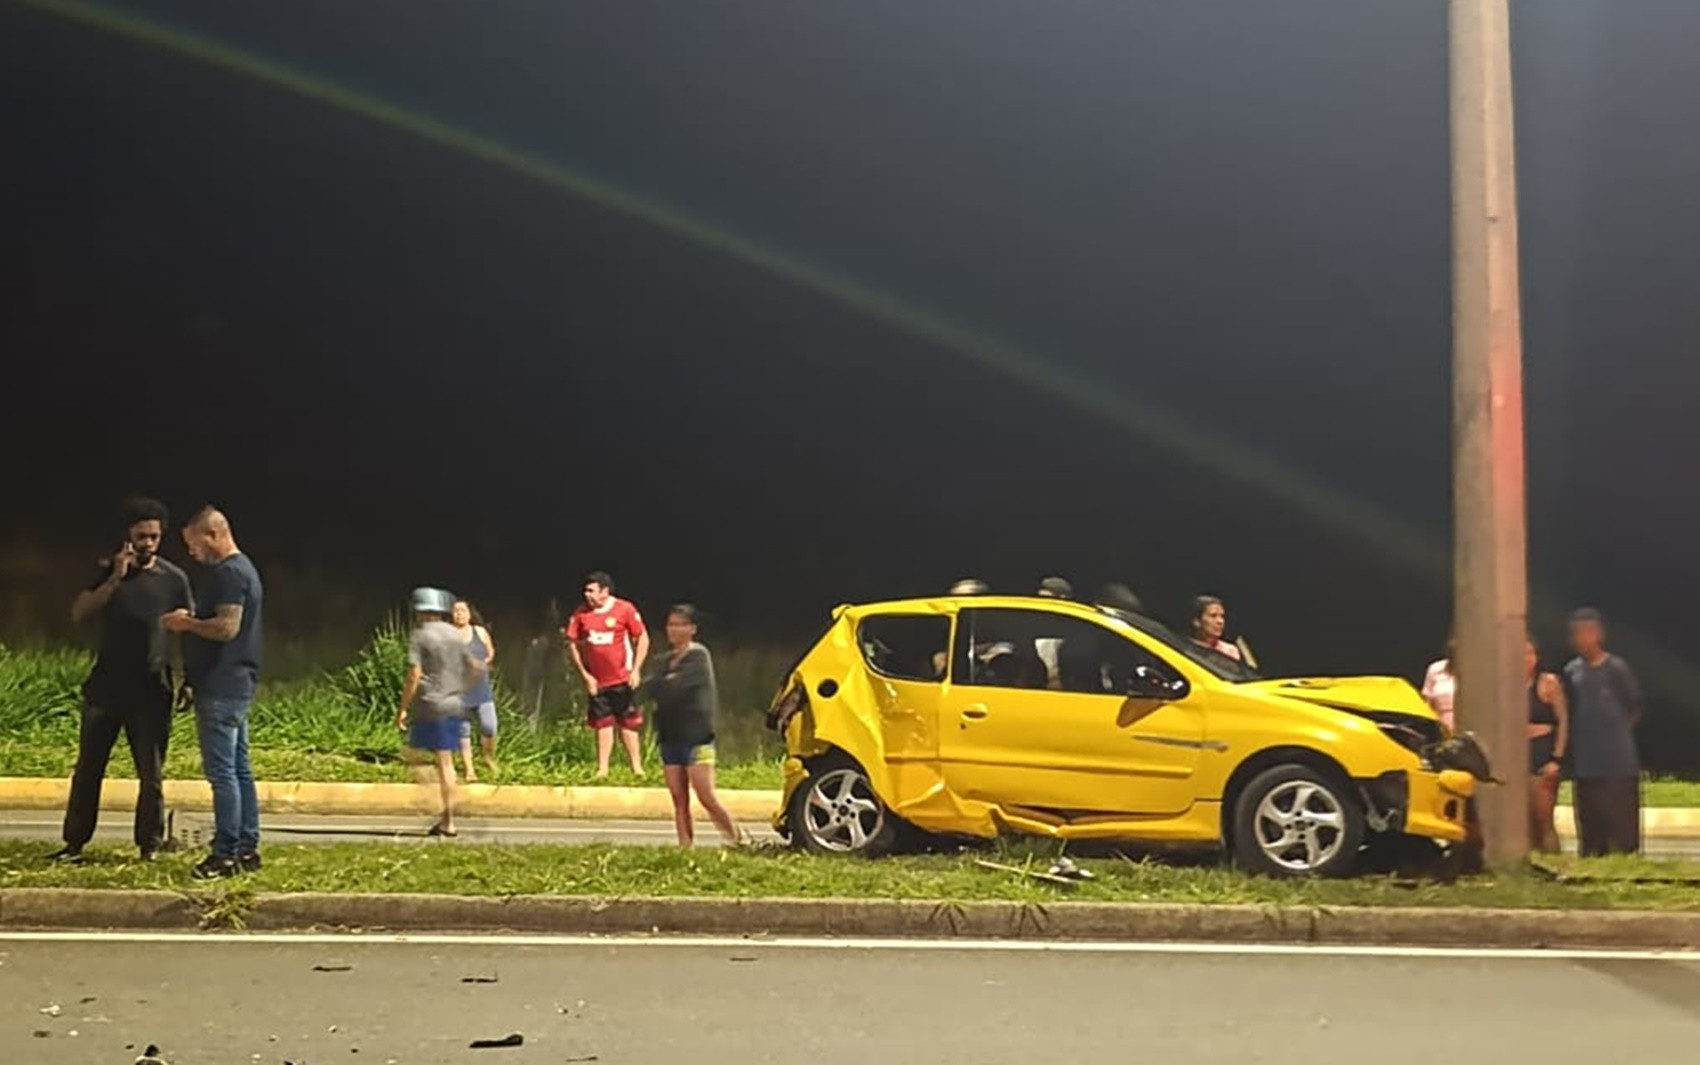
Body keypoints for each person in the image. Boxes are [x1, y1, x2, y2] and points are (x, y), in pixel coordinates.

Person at [50, 498, 195, 864]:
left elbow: (187, 631)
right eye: (141, 536)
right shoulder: (107, 571)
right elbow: (80, 612)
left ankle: (149, 844)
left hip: (151, 689)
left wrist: (189, 679)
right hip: (107, 687)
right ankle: (75, 842)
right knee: (88, 769)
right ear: (128, 537)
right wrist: (115, 577)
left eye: (154, 536)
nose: (148, 543)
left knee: (151, 772)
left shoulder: (173, 579)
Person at [163, 507, 264, 879]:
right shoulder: (244, 569)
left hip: (223, 685)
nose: (191, 552)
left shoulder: (229, 574)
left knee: (222, 774)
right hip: (236, 683)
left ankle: (225, 855)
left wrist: (185, 623)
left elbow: (226, 628)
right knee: (239, 769)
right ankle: (247, 848)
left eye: (193, 543)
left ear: (212, 535)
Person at [638, 604, 742, 847]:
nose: (674, 630)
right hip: (670, 735)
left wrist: (661, 683)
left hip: (697, 736)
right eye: (671, 624)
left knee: (706, 795)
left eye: (680, 624)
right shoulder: (663, 660)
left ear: (692, 629)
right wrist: (660, 683)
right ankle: (685, 846)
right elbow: (650, 687)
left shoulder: (698, 655)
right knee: (678, 798)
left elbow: (674, 687)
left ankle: (737, 839)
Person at [396, 587, 480, 836]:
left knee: (420, 759)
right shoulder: (454, 634)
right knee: (445, 763)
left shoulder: (421, 636)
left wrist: (402, 708)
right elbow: (476, 667)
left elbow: (414, 675)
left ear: (420, 611)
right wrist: (459, 688)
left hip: (431, 705)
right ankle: (446, 815)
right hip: (453, 704)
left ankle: (445, 815)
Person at [1563, 608, 1645, 857]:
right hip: (1586, 759)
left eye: (1586, 633)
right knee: (1590, 816)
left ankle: (1624, 860)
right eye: (1576, 634)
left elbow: (1635, 706)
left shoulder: (1616, 668)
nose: (1581, 640)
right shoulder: (1571, 671)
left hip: (1618, 759)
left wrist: (1616, 733)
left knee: (1620, 816)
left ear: (1598, 635)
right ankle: (1592, 857)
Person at [565, 571, 649, 777]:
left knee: (627, 723)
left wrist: (636, 669)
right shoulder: (581, 614)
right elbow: (572, 644)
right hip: (597, 681)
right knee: (603, 723)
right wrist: (586, 675)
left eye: (592, 591)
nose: (588, 595)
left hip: (622, 677)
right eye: (586, 591)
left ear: (605, 592)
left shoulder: (624, 609)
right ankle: (603, 769)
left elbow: (642, 637)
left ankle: (637, 768)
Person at [1526, 637, 1569, 854]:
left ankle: (1554, 864)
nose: (1525, 659)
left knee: (1543, 817)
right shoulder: (1507, 684)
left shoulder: (1548, 683)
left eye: (1530, 654)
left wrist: (1556, 758)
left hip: (1542, 754)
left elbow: (1563, 721)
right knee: (1525, 822)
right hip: (1517, 756)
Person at [451, 599, 498, 780]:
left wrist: (485, 662)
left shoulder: (480, 632)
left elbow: (490, 651)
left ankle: (488, 757)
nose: (459, 614)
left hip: (481, 688)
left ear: (469, 613)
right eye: (456, 611)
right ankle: (469, 769)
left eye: (462, 611)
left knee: (489, 725)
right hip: (459, 690)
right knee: (463, 730)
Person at [1187, 595, 1242, 661]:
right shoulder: (1184, 647)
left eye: (1222, 616)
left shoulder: (1229, 651)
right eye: (1213, 616)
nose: (1220, 621)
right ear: (1197, 621)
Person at [1421, 638, 1458, 732]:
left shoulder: (1472, 669)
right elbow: (1427, 701)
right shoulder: (1435, 669)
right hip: (1440, 725)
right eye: (1450, 650)